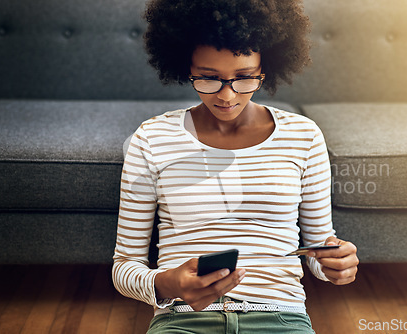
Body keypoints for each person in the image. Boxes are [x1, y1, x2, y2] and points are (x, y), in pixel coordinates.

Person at [112, 0, 359, 333]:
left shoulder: (304, 136)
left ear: (265, 69)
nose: (226, 96)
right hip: (183, 318)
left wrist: (334, 262)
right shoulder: (152, 138)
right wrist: (169, 283)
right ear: (187, 70)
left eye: (244, 78)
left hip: (280, 317)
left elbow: (318, 251)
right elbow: (124, 267)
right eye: (208, 78)